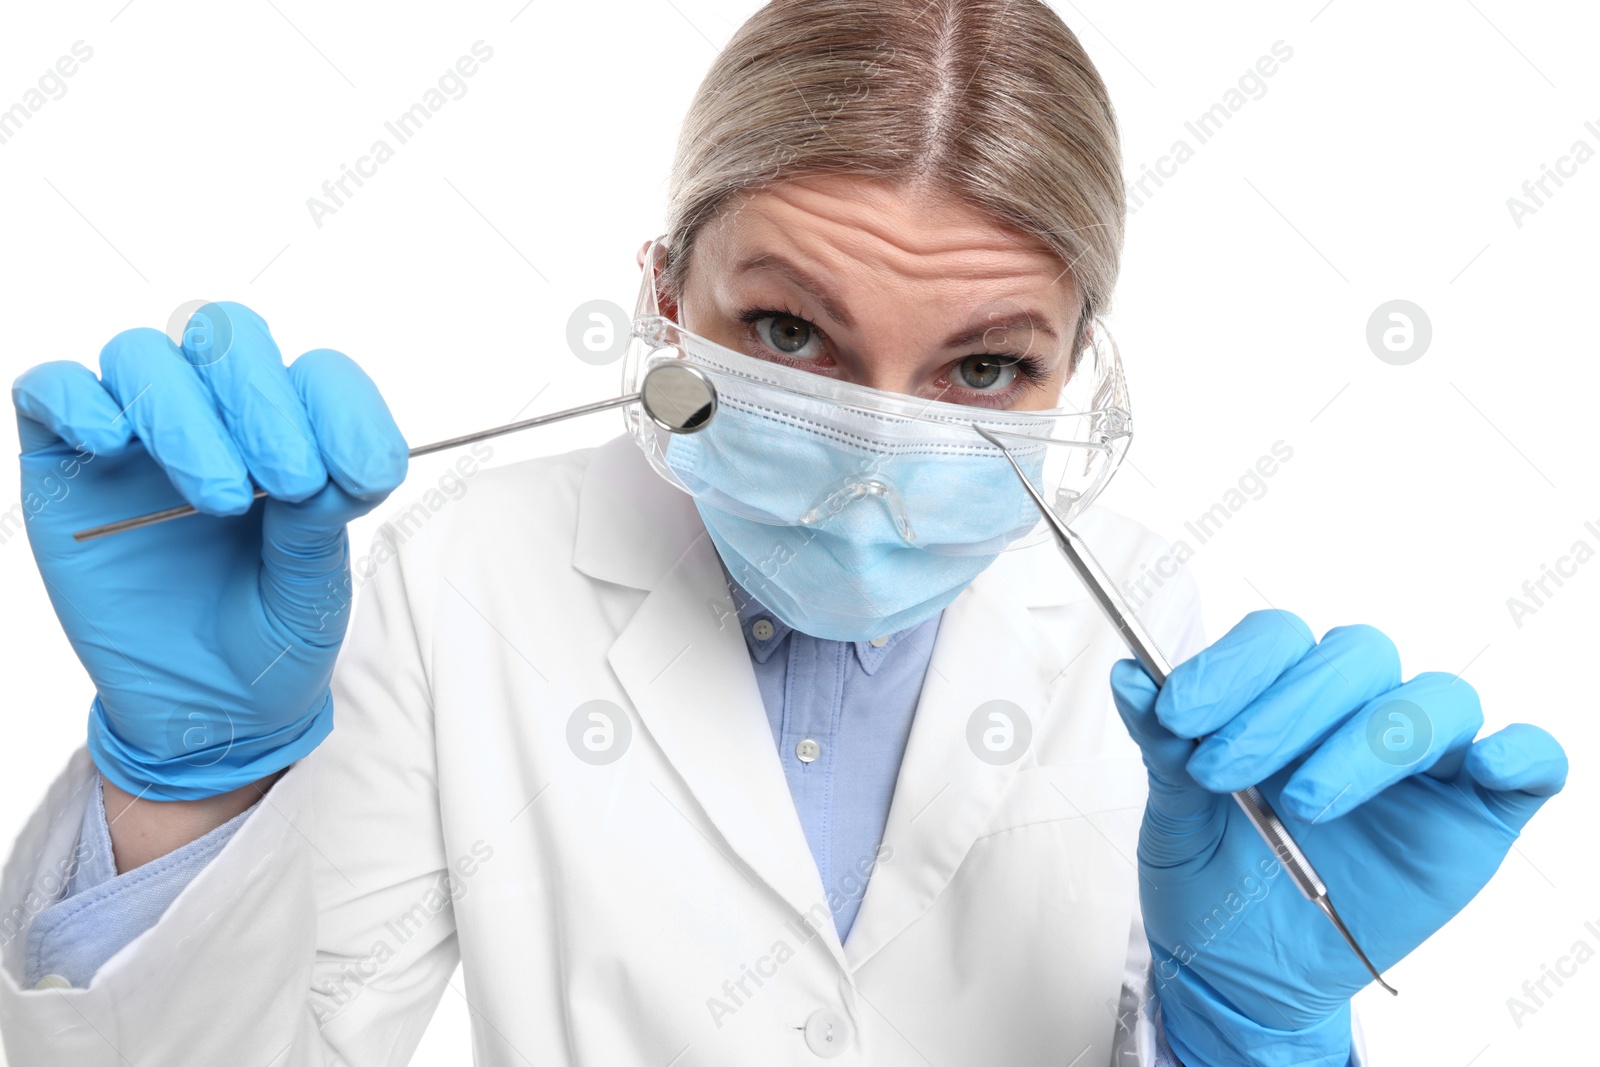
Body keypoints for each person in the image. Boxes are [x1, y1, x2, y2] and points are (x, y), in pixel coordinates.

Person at [0, 1, 1567, 1065]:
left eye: (982, 367)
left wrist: (1257, 1035)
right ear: (666, 298)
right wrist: (185, 790)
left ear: (1074, 366)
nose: (875, 462)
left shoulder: (1153, 630)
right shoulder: (463, 579)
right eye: (794, 335)